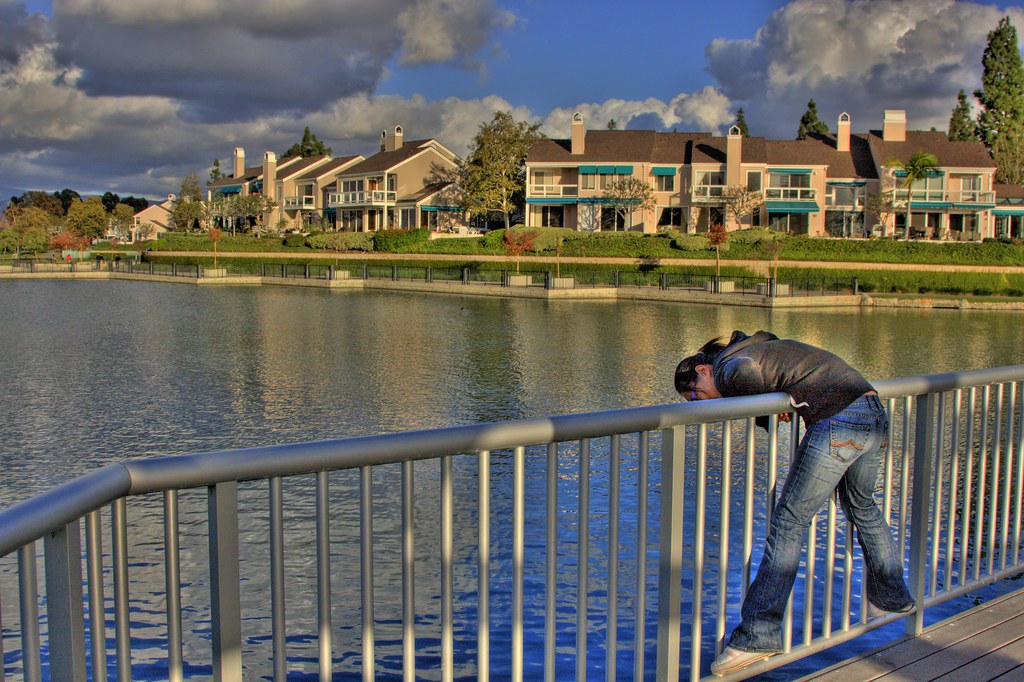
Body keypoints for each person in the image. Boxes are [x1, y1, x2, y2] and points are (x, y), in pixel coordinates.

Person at [674, 330, 914, 676]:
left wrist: (769, 399)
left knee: (788, 522)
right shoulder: (758, 346)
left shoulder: (727, 365)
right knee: (862, 506)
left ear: (703, 370)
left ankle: (757, 636)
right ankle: (892, 596)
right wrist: (777, 398)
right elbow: (777, 363)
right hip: (871, 411)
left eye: (696, 395)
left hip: (840, 419)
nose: (703, 403)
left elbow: (745, 373)